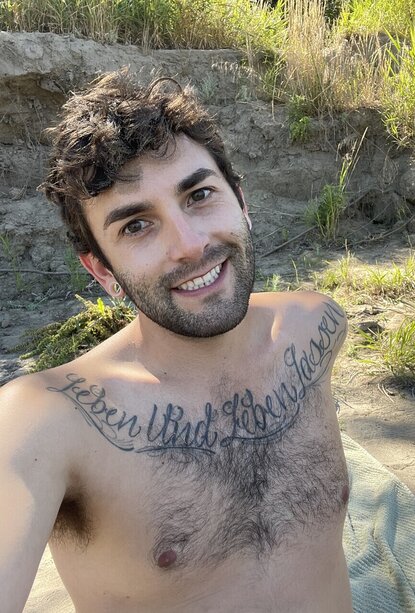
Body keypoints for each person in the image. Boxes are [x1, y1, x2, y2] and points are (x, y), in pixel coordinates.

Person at [0, 70, 352, 613]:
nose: (188, 245)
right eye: (136, 226)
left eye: (200, 195)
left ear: (241, 201)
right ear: (102, 272)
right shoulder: (49, 420)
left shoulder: (317, 328)